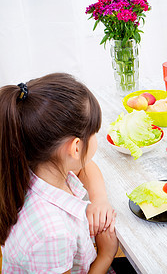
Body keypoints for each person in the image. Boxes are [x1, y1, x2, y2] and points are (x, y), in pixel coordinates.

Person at [0, 73, 119, 273]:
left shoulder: (34, 164)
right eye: (94, 133)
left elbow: (85, 167)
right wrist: (106, 256)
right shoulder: (52, 235)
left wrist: (99, 200)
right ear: (75, 147)